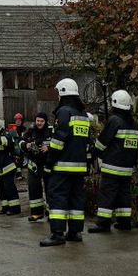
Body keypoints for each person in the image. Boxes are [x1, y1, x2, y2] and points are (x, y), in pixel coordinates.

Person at [40, 78, 90, 247]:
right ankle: (75, 232)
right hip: (80, 166)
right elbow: (86, 142)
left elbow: (58, 141)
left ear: (62, 92)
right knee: (76, 199)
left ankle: (57, 234)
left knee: (58, 197)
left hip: (62, 166)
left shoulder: (64, 112)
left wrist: (48, 164)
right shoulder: (83, 114)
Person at [88, 90, 138, 233]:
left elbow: (102, 143)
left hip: (112, 167)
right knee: (124, 195)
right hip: (127, 168)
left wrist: (95, 152)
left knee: (107, 195)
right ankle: (124, 222)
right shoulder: (132, 123)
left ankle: (103, 224)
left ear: (115, 103)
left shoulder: (115, 120)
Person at [19, 112, 52, 222]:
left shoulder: (51, 131)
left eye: (41, 121)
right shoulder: (31, 130)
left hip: (48, 164)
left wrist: (49, 147)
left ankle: (51, 212)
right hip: (34, 165)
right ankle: (36, 213)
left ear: (45, 122)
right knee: (34, 189)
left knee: (50, 189)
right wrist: (26, 145)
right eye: (37, 121)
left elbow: (60, 144)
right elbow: (20, 142)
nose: (39, 123)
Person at [0, 118, 21, 215]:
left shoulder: (6, 133)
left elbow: (7, 141)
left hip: (8, 166)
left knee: (9, 188)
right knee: (0, 189)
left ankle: (15, 208)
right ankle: (5, 207)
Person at [11, 112, 26, 180]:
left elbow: (25, 136)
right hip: (15, 146)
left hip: (22, 146)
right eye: (17, 121)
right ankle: (18, 175)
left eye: (19, 121)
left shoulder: (24, 129)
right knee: (17, 160)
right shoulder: (13, 128)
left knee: (21, 160)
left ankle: (19, 174)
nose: (18, 122)